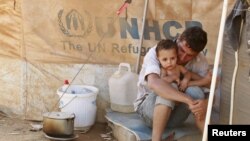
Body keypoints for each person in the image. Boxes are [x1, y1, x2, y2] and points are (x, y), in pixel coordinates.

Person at [134, 26, 212, 141]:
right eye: (181, 50)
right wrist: (188, 100)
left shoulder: (200, 61)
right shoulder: (159, 52)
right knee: (169, 88)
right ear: (179, 39)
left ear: (198, 53)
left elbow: (210, 89)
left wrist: (205, 103)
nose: (183, 57)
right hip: (148, 113)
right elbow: (154, 83)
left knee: (197, 92)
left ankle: (207, 136)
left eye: (190, 55)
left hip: (175, 119)